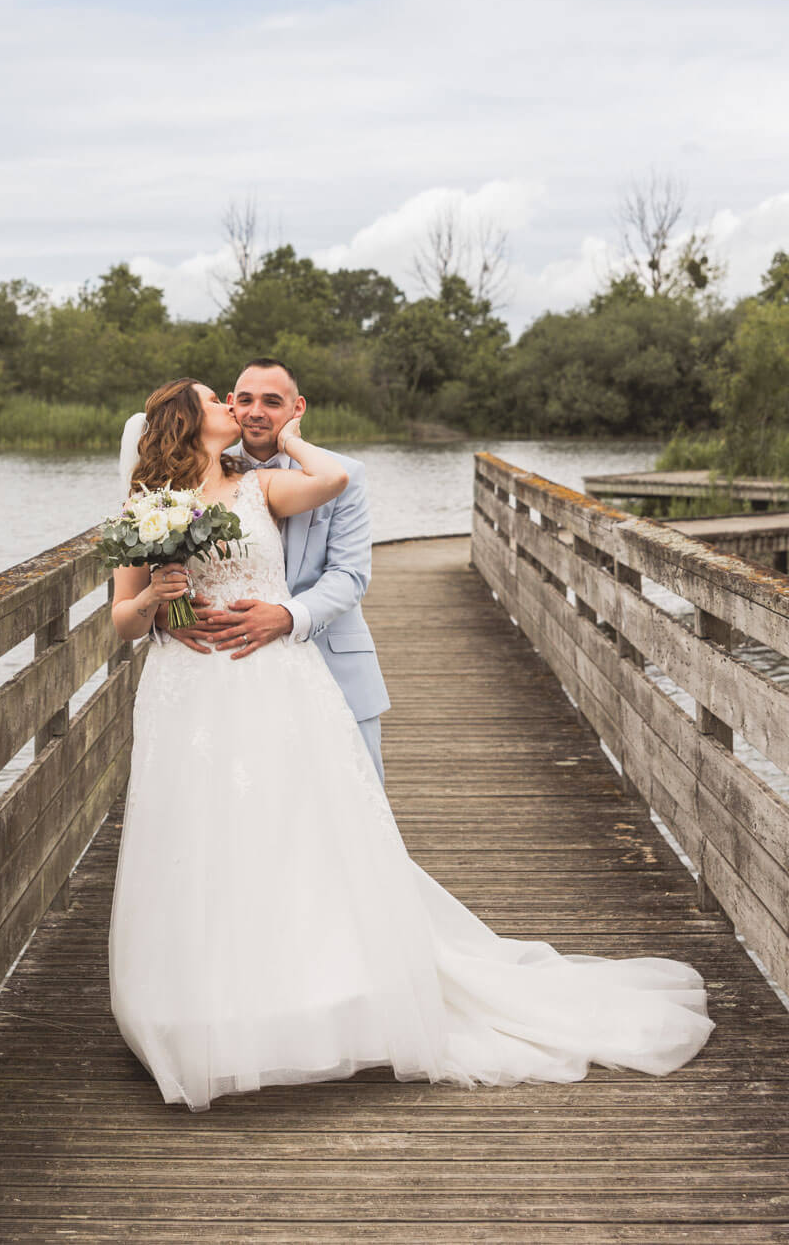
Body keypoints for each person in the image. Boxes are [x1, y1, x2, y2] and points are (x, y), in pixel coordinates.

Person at [107, 378, 714, 1114]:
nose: (232, 409)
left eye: (238, 399)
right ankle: (200, 1006)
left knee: (292, 833)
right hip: (190, 691)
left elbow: (335, 479)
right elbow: (122, 619)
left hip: (272, 682)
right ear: (184, 420)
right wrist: (157, 598)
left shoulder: (261, 485)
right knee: (200, 839)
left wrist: (290, 433)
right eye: (217, 400)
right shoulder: (148, 506)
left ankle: (314, 998)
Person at [147, 358, 389, 785]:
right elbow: (157, 565)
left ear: (297, 408)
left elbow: (349, 575)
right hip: (231, 676)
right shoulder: (197, 472)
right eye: (245, 400)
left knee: (353, 797)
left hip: (334, 665)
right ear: (230, 404)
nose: (256, 412)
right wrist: (164, 614)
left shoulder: (343, 474)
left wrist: (286, 616)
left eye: (272, 402)